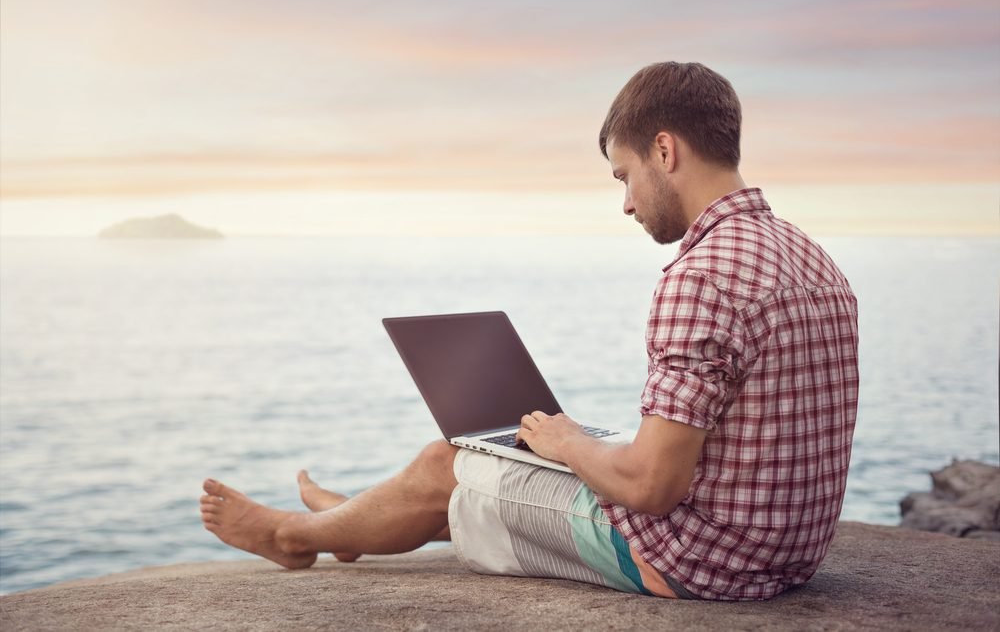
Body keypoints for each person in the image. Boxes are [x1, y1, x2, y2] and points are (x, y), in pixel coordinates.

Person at [200, 61, 859, 601]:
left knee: (448, 463)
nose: (626, 201)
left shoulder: (700, 275)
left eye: (625, 175)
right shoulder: (809, 255)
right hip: (786, 552)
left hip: (699, 560)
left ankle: (293, 535)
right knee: (503, 457)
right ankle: (350, 521)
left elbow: (653, 487)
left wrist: (569, 440)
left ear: (665, 149)